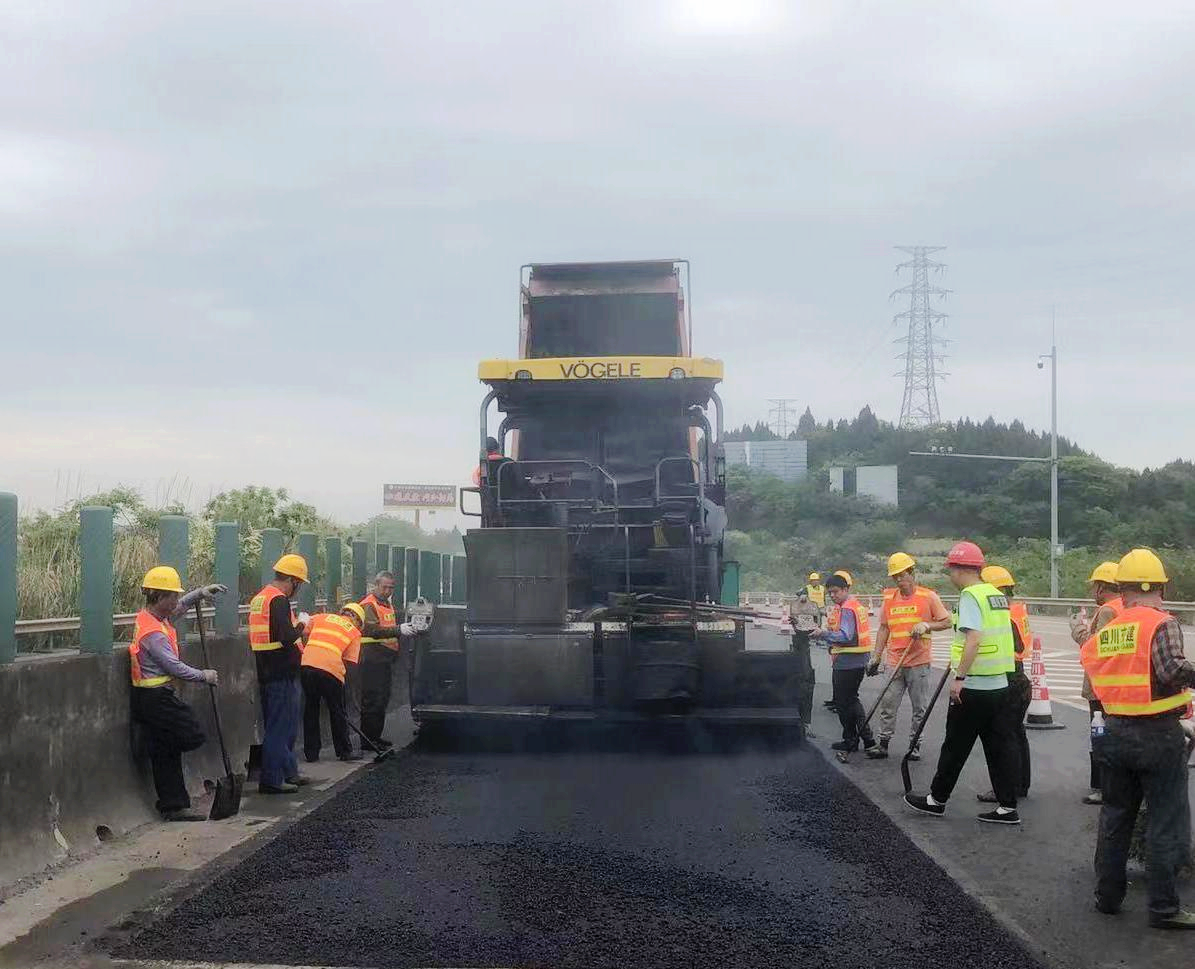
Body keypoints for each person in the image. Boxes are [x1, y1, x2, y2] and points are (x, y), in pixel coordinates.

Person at [1079, 548, 1195, 930]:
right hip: (1158, 736)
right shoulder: (1162, 623)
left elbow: (1092, 665)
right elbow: (1171, 669)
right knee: (1166, 822)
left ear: (1122, 590)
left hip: (1114, 732)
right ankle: (1164, 909)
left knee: (1115, 817)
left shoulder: (1109, 630)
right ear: (1160, 587)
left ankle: (1106, 898)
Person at [904, 540, 1021, 824]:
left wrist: (960, 677)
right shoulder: (995, 594)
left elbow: (974, 638)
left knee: (955, 746)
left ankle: (936, 799)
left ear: (958, 569)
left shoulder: (970, 596)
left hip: (975, 687)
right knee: (999, 747)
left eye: (950, 571)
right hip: (999, 686)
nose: (950, 576)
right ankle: (1007, 807)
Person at [128, 566, 227, 821]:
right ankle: (157, 753)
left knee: (166, 752)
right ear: (159, 597)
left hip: (154, 697)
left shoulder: (155, 618)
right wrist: (204, 676)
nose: (175, 600)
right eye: (172, 595)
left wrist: (200, 594)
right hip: (155, 699)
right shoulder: (153, 633)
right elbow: (174, 666)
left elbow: (181, 607)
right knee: (191, 734)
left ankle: (173, 806)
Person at [866, 552, 951, 761]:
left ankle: (915, 746)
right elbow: (884, 629)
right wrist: (876, 657)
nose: (898, 580)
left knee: (918, 708)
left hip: (918, 662)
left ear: (912, 573)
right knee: (888, 703)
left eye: (901, 575)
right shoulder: (889, 598)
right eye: (894, 576)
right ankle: (883, 743)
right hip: (895, 660)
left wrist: (926, 625)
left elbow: (947, 621)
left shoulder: (928, 596)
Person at [248, 554, 310, 795]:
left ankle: (289, 771)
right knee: (279, 728)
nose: (299, 588)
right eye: (300, 583)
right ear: (293, 580)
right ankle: (272, 779)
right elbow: (286, 637)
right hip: (281, 672)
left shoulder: (260, 598)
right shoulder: (279, 600)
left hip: (267, 669)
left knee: (283, 724)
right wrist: (303, 624)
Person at [976, 565, 1033, 801]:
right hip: (1020, 679)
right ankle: (1020, 785)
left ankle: (1004, 789)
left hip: (1008, 679)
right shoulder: (1017, 610)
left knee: (1002, 738)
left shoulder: (1004, 615)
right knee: (1017, 735)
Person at [1070, 561, 1123, 805]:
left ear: (1102, 587)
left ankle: (1102, 787)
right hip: (1120, 686)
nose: (1093, 592)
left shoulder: (1107, 611)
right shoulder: (1125, 606)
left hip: (1101, 687)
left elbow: (1096, 646)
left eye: (1095, 587)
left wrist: (1077, 628)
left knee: (1099, 734)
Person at [811, 573, 877, 755]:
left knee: (844, 703)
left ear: (846, 589)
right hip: (856, 660)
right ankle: (864, 739)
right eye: (830, 593)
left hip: (848, 661)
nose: (832, 596)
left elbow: (846, 635)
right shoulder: (855, 606)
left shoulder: (847, 609)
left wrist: (823, 634)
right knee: (851, 700)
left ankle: (854, 740)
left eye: (835, 592)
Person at [301, 603, 366, 763]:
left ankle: (311, 753)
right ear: (357, 620)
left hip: (307, 665)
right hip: (330, 670)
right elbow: (350, 663)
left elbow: (302, 629)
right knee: (337, 711)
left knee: (311, 709)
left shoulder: (321, 617)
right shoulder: (354, 632)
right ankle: (344, 751)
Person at [359, 571, 416, 750]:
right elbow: (372, 631)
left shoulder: (386, 605)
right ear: (375, 585)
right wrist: (399, 630)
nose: (388, 591)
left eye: (391, 587)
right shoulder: (369, 605)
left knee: (382, 699)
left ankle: (375, 736)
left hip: (384, 659)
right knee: (372, 700)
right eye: (384, 587)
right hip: (371, 659)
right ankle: (368, 740)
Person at [787, 589, 823, 732]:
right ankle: (804, 721)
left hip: (803, 643)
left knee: (805, 681)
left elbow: (816, 619)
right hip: (801, 643)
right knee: (805, 680)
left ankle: (804, 722)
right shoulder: (795, 606)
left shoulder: (813, 605)